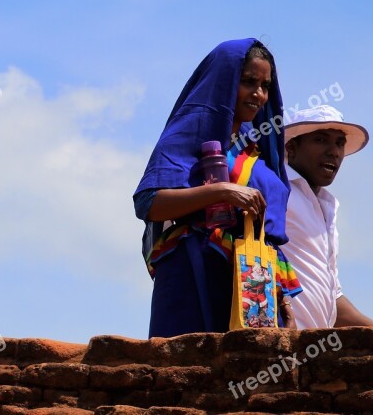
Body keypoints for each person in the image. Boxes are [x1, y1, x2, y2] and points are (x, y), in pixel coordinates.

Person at [133, 38, 301, 338]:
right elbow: (150, 203)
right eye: (249, 82)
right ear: (224, 82)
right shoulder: (190, 134)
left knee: (252, 374)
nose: (259, 94)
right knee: (190, 374)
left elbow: (270, 230)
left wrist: (281, 294)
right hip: (194, 274)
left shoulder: (259, 145)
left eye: (265, 85)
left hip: (253, 281)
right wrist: (221, 191)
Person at [283, 105, 373, 328]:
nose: (334, 151)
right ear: (291, 148)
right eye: (321, 140)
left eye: (339, 143)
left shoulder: (326, 205)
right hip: (276, 345)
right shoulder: (276, 189)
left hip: (310, 352)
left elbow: (332, 298)